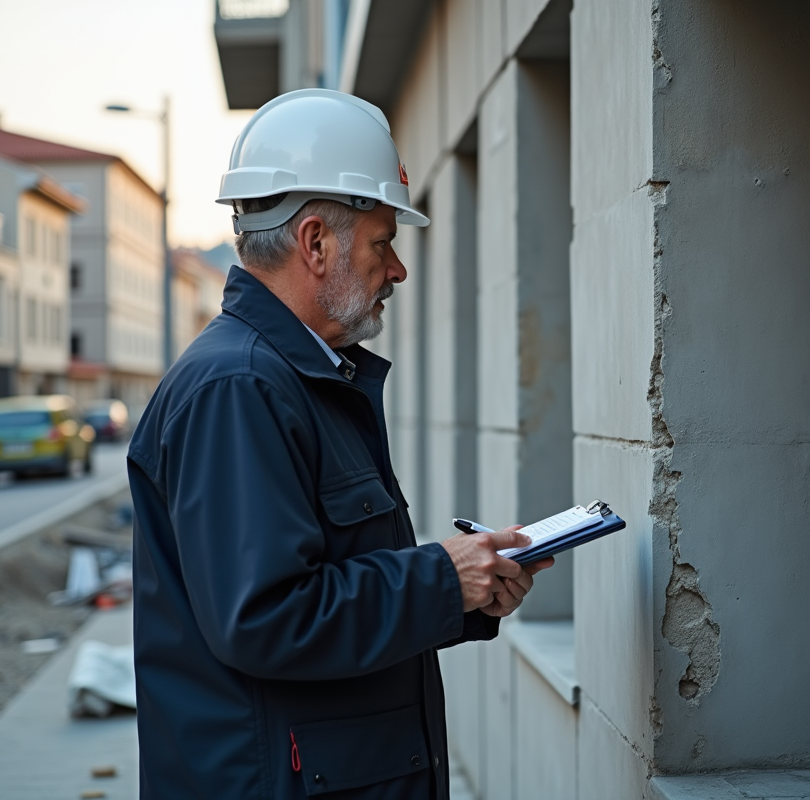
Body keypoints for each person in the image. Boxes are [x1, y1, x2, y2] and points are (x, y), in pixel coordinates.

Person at [127, 89, 553, 800]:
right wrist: (440, 579)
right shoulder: (239, 388)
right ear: (316, 242)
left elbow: (330, 595)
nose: (398, 270)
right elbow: (268, 618)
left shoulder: (300, 379)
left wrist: (467, 595)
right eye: (383, 243)